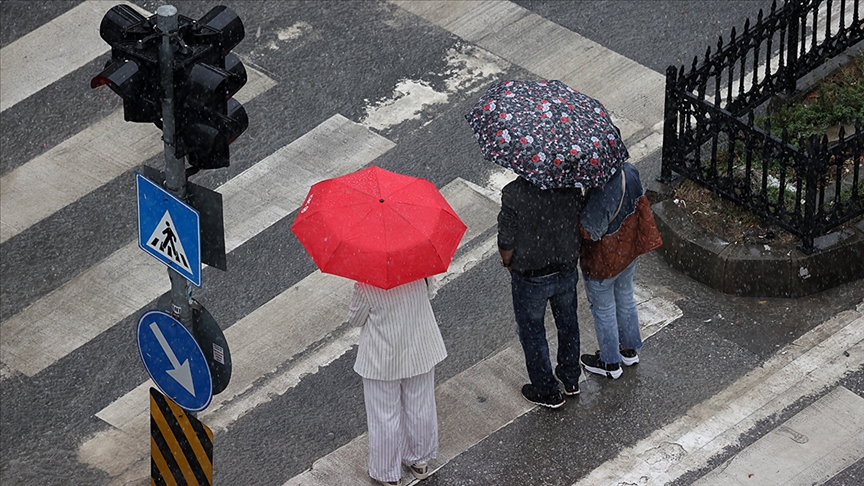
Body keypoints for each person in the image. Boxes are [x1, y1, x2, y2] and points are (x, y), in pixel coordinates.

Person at [347, 276, 447, 486]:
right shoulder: (421, 272)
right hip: (420, 347)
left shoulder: (366, 285)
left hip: (382, 357)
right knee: (420, 405)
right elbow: (431, 293)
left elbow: (355, 319)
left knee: (384, 415)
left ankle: (388, 473)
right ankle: (419, 461)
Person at [498, 175, 584, 408]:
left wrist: (508, 263)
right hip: (566, 267)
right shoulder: (569, 183)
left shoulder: (513, 194)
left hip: (531, 274)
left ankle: (546, 390)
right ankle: (570, 378)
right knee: (568, 324)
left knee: (533, 333)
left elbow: (506, 241)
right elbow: (579, 217)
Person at [578, 162, 662, 379]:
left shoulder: (603, 189)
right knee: (625, 298)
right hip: (627, 251)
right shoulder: (630, 171)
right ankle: (629, 350)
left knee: (603, 310)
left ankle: (610, 363)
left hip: (603, 261)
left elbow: (591, 231)